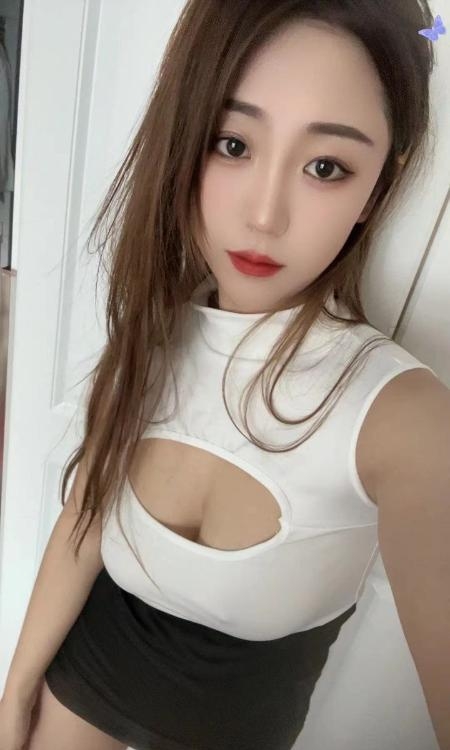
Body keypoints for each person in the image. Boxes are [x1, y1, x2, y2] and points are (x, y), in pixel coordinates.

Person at [1, 1, 444, 749]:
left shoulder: (400, 418)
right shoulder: (153, 334)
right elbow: (85, 515)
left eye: (326, 167)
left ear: (377, 187)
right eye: (232, 144)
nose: (264, 216)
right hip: (80, 683)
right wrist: (15, 695)